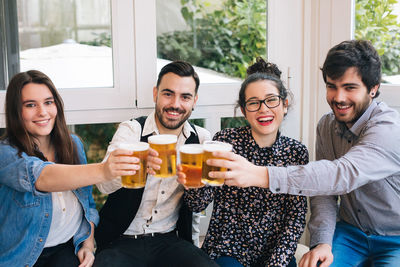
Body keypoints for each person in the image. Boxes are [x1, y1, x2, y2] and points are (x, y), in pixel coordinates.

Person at [206, 40, 400, 267]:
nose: (338, 97)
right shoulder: (327, 126)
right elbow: (324, 193)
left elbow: (342, 174)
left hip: (395, 237)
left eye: (350, 87)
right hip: (350, 233)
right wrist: (321, 242)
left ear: (373, 88)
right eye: (331, 86)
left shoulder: (389, 129)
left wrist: (259, 175)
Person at [0, 70, 142, 267]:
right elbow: (42, 177)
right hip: (23, 256)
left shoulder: (72, 144)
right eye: (30, 105)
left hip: (67, 248)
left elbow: (87, 204)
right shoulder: (6, 152)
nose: (42, 112)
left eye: (48, 102)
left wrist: (88, 243)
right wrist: (104, 170)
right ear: (16, 111)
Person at [178, 58, 309, 266]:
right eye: (254, 102)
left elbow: (295, 218)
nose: (263, 109)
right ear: (243, 110)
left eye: (271, 100)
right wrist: (193, 185)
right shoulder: (225, 142)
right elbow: (197, 204)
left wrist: (277, 263)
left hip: (274, 252)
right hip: (226, 248)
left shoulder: (296, 152)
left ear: (284, 105)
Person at [93, 61, 218, 267]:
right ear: (155, 94)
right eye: (168, 94)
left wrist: (194, 246)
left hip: (169, 240)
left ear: (194, 101)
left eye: (185, 97)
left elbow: (197, 208)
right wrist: (135, 165)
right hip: (121, 239)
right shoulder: (132, 131)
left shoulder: (201, 139)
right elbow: (103, 185)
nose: (175, 104)